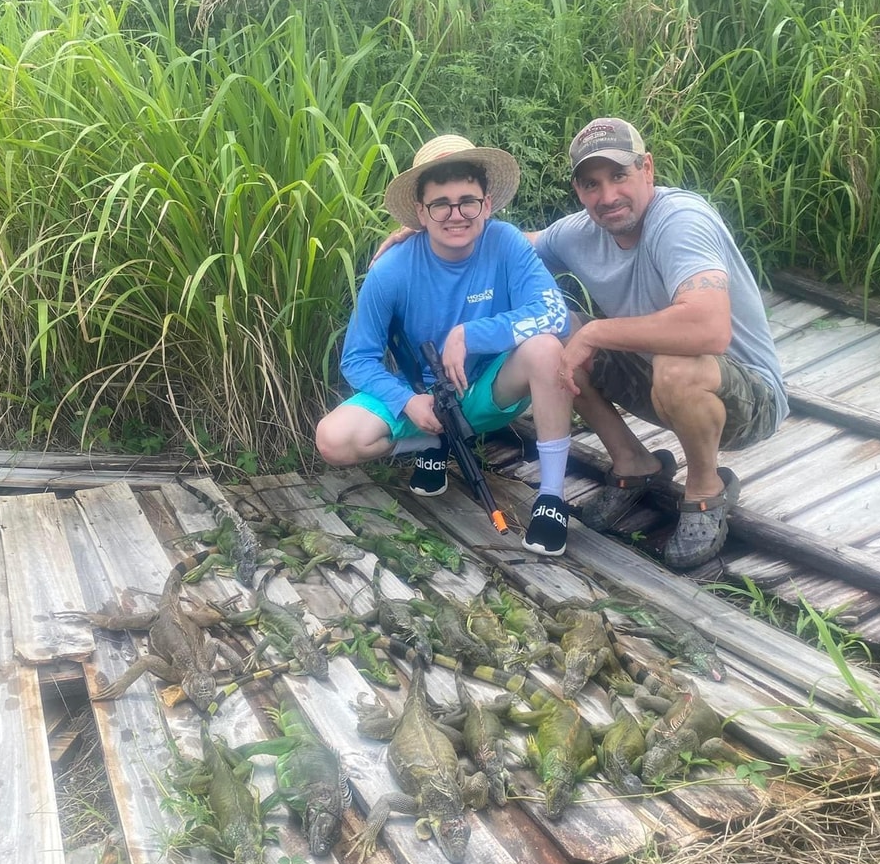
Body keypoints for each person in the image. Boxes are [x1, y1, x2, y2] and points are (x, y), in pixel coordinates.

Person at [529, 117, 788, 569]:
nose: (608, 196)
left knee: (675, 362)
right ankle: (633, 463)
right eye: (592, 184)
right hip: (658, 382)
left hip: (748, 399)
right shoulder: (579, 233)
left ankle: (706, 486)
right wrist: (434, 231)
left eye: (619, 175)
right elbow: (515, 246)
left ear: (646, 168)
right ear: (578, 190)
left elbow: (709, 330)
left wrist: (595, 332)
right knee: (551, 330)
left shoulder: (680, 220)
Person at [315, 134, 574, 556]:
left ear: (486, 204)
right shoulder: (391, 269)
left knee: (546, 348)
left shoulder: (506, 242)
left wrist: (471, 334)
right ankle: (434, 441)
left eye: (467, 202)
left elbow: (555, 314)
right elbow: (358, 358)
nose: (456, 215)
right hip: (423, 396)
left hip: (488, 388)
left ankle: (551, 499)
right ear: (421, 212)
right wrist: (407, 402)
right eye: (441, 204)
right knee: (333, 439)